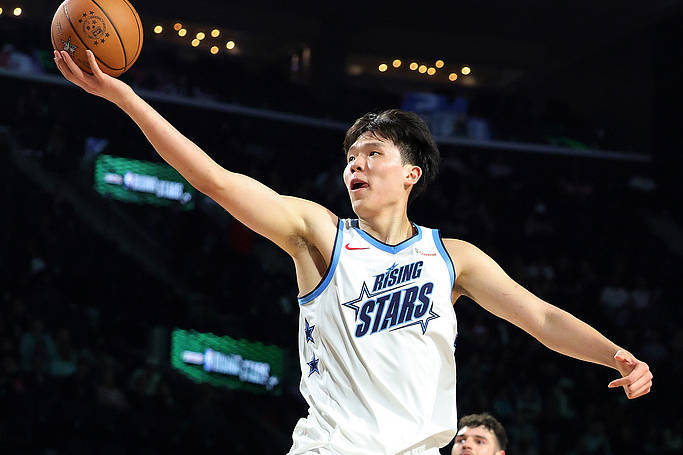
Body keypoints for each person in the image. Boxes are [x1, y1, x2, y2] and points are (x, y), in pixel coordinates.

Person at [53, 50, 653, 455]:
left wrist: (615, 355)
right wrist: (123, 97)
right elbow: (216, 181)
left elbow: (541, 318)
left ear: (412, 173)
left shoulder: (453, 259)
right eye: (349, 158)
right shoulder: (320, 233)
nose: (354, 166)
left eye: (371, 154)